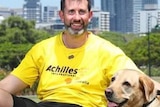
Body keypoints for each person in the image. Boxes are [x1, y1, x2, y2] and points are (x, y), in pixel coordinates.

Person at [0, 0, 160, 107]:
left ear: (90, 16)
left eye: (82, 12)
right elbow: (5, 88)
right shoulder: (42, 49)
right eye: (71, 12)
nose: (77, 18)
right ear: (61, 15)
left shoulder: (107, 51)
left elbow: (143, 82)